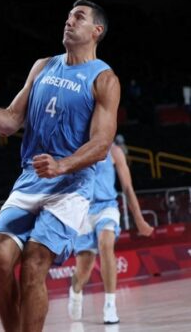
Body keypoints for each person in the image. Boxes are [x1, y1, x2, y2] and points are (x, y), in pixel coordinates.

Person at [0, 0, 120, 332]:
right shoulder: (43, 66)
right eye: (68, 15)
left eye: (78, 17)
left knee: (33, 265)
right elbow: (11, 120)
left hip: (71, 187)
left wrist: (62, 166)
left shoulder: (104, 79)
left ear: (96, 30)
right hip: (31, 179)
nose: (69, 21)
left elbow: (102, 144)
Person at [67, 138, 154, 324]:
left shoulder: (114, 151)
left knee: (106, 244)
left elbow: (128, 188)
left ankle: (110, 305)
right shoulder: (75, 149)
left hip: (107, 207)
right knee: (84, 269)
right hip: (82, 210)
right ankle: (75, 292)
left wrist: (139, 219)